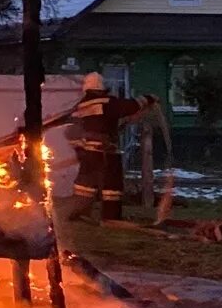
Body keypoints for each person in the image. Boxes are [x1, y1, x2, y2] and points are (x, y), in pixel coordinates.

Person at [65, 72, 157, 222]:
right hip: (107, 154)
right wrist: (149, 98)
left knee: (85, 186)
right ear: (102, 87)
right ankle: (111, 217)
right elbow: (130, 106)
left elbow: (70, 131)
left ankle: (79, 213)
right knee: (112, 189)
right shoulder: (106, 102)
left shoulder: (80, 106)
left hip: (88, 154)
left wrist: (80, 150)